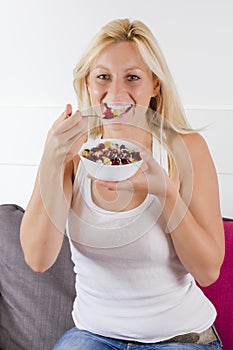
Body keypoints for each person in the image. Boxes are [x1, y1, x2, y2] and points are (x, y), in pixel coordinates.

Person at [20, 18, 224, 349]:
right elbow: (38, 258)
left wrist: (166, 194)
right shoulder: (72, 153)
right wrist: (51, 159)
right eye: (103, 77)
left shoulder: (184, 149)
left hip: (181, 338)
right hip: (93, 336)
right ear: (87, 82)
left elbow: (207, 271)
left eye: (132, 78)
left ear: (155, 85)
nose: (115, 93)